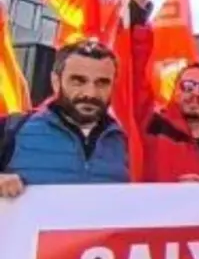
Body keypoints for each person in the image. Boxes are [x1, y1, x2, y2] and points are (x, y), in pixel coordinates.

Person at [0, 40, 129, 197]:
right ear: (56, 81)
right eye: (78, 81)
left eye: (102, 83)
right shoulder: (11, 130)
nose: (90, 93)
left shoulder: (129, 142)